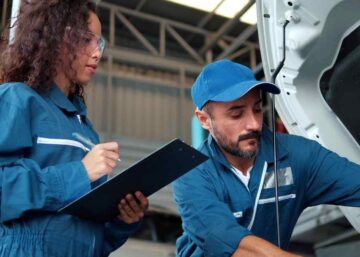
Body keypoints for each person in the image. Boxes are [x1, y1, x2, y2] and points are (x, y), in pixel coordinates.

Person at [0, 0, 148, 256]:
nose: (97, 52)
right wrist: (79, 173)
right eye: (87, 39)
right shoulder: (16, 99)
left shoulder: (86, 130)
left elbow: (93, 241)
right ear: (55, 36)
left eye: (99, 43)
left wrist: (122, 222)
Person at [172, 59, 360, 257]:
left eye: (257, 109)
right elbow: (228, 242)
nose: (254, 124)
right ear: (204, 120)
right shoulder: (191, 172)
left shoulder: (297, 156)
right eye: (237, 115)